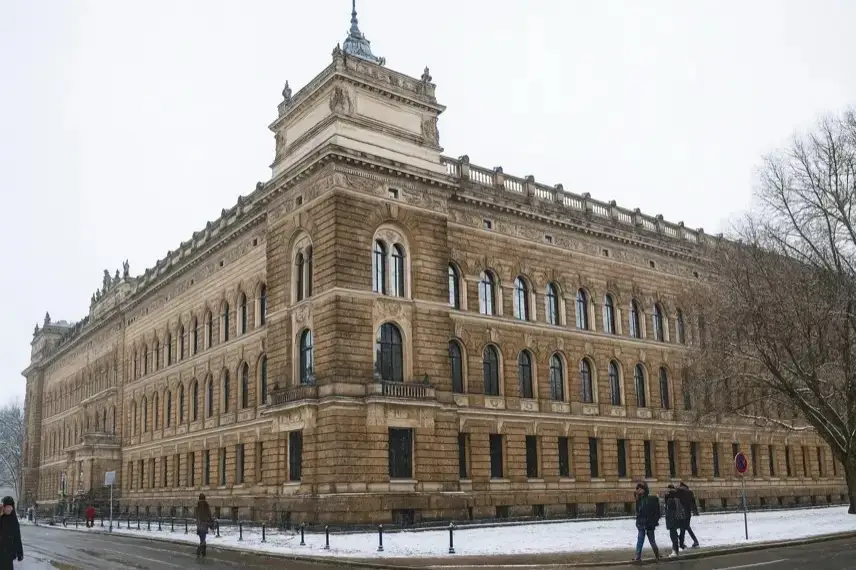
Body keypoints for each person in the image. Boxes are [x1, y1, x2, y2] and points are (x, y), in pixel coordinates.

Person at [632, 482, 660, 563]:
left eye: (640, 489)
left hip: (649, 524)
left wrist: (654, 521)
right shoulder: (639, 500)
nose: (638, 490)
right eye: (637, 489)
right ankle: (637, 556)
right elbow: (638, 512)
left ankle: (657, 556)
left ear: (644, 490)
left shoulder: (651, 499)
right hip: (641, 523)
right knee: (640, 540)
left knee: (652, 541)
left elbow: (657, 512)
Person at [664, 484, 687, 557]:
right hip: (675, 520)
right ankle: (677, 549)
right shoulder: (677, 500)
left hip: (672, 520)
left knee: (673, 537)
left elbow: (670, 512)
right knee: (674, 536)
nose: (667, 492)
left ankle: (675, 551)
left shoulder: (670, 501)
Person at [0, 497, 23, 569]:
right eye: (7, 507)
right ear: (3, 507)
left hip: (8, 554)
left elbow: (17, 537)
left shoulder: (14, 520)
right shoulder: (1, 518)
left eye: (11, 507)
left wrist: (20, 553)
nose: (9, 509)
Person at [677, 482, 700, 548]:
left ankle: (682, 544)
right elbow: (693, 502)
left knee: (684, 528)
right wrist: (695, 511)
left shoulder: (679, 492)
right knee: (685, 527)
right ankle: (685, 543)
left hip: (681, 512)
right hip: (688, 513)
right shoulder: (689, 492)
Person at [194, 493, 214, 558]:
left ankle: (199, 550)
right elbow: (210, 515)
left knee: (202, 539)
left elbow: (197, 517)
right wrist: (211, 524)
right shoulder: (206, 506)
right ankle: (203, 551)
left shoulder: (198, 506)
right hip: (205, 525)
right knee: (203, 538)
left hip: (200, 525)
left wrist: (198, 524)